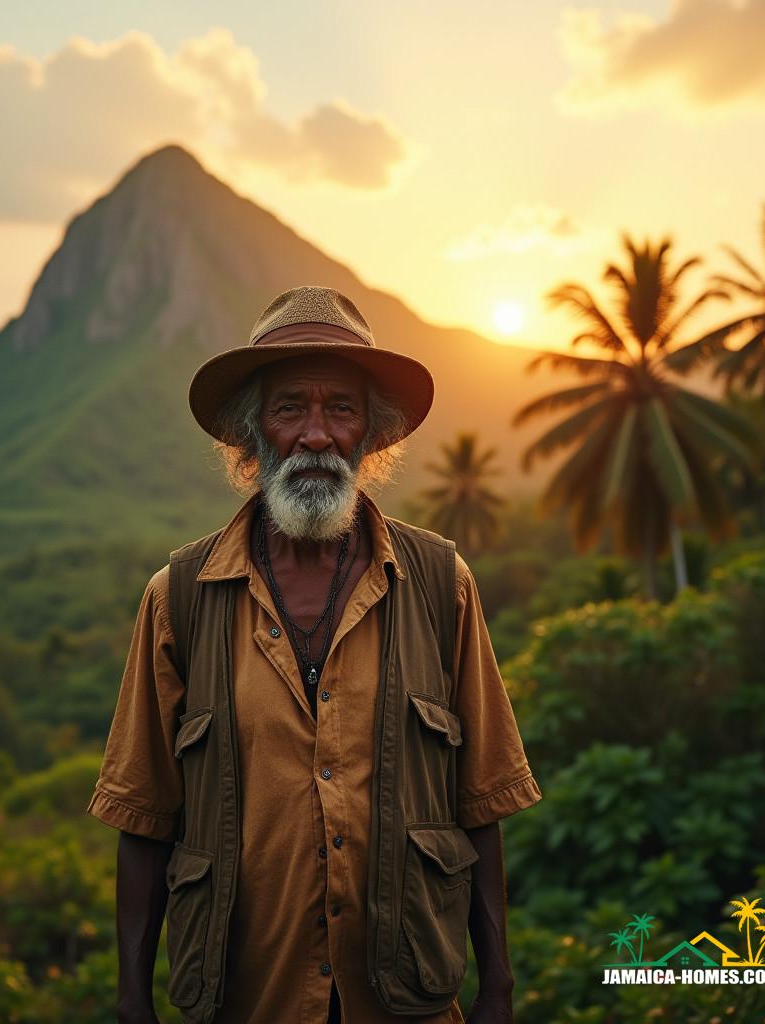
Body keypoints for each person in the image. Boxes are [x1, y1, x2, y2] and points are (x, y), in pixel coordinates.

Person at [87, 285, 542, 1024]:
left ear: (373, 432)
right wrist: (132, 1001)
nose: (316, 434)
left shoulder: (437, 584)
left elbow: (481, 802)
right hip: (248, 997)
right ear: (251, 433)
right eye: (289, 406)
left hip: (411, 999)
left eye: (341, 408)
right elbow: (143, 820)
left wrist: (497, 991)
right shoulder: (180, 597)